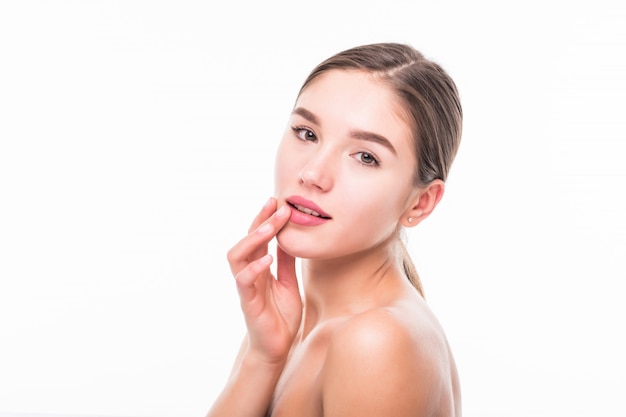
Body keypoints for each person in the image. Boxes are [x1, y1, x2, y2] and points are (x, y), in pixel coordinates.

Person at [207, 42, 463, 417]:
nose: (312, 174)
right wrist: (263, 358)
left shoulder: (376, 342)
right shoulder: (291, 321)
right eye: (307, 133)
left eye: (365, 157)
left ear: (420, 202)